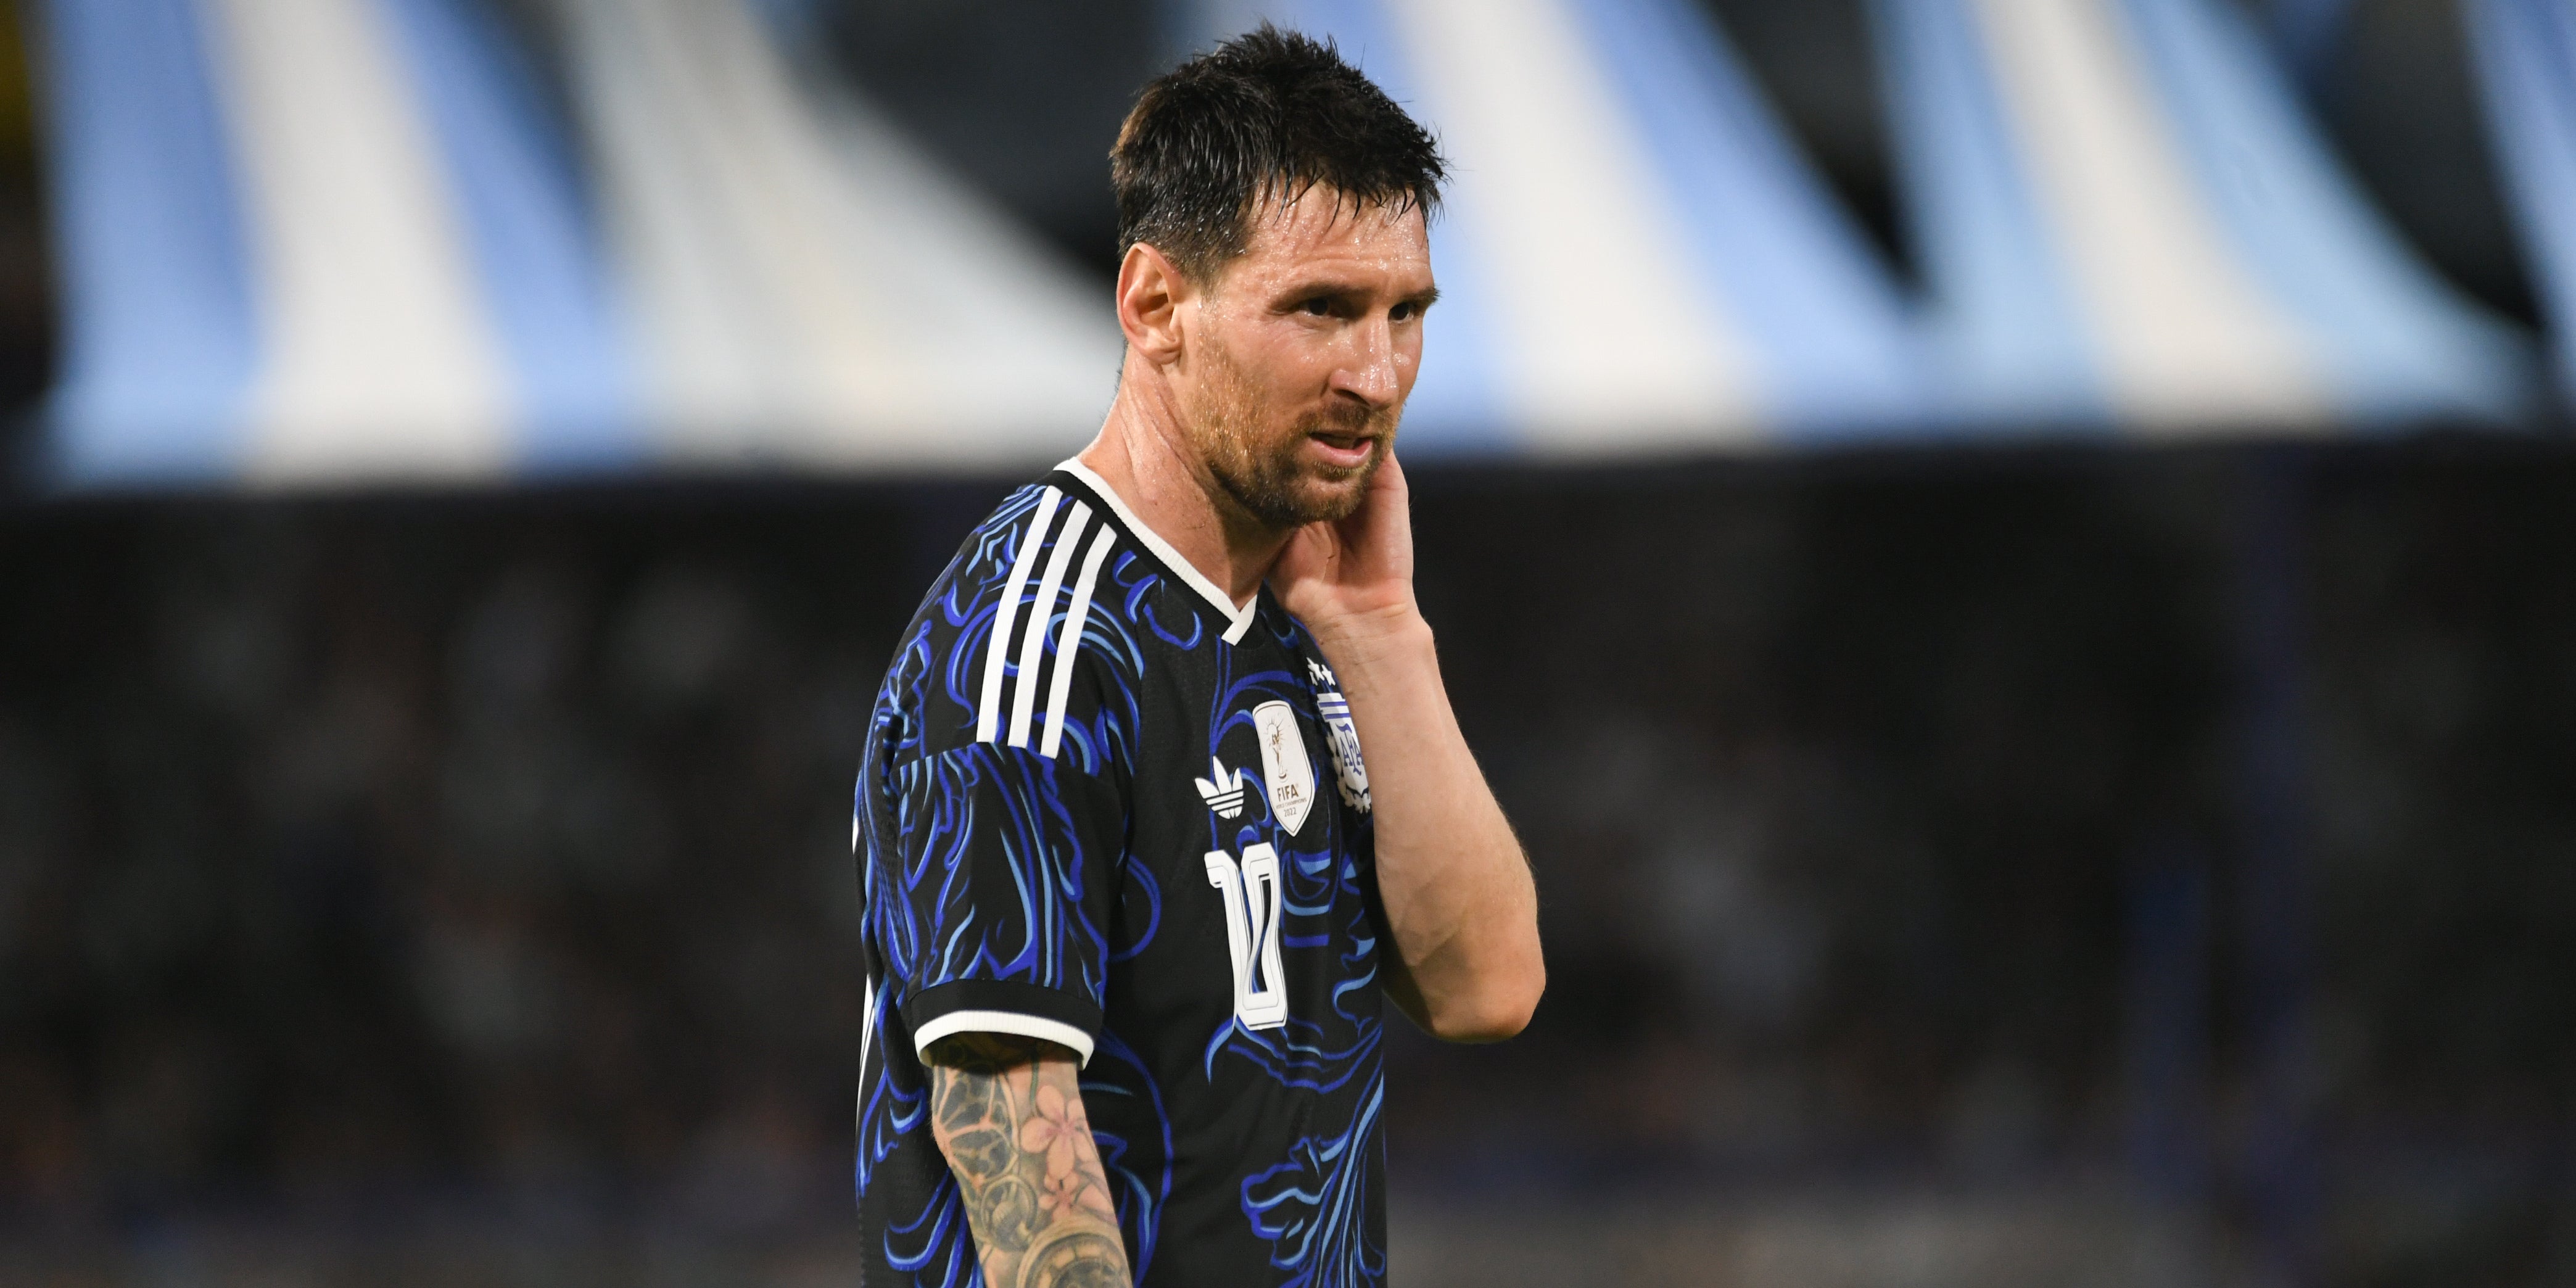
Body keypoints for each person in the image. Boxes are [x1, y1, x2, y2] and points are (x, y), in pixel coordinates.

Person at [851, 25, 1544, 1288]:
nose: (1377, 373)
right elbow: (1009, 1130)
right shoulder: (1036, 644)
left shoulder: (1308, 612)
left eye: (1405, 312)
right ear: (1156, 305)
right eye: (1322, 309)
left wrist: (1382, 634)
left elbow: (1488, 987)